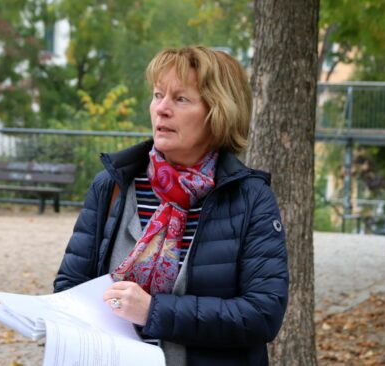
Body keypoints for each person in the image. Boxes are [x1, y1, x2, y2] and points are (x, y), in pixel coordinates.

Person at [54, 45, 289, 366]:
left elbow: (262, 314)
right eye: (157, 95)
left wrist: (153, 311)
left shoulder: (249, 198)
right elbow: (69, 288)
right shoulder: (112, 186)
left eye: (180, 99)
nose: (161, 109)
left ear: (218, 112)